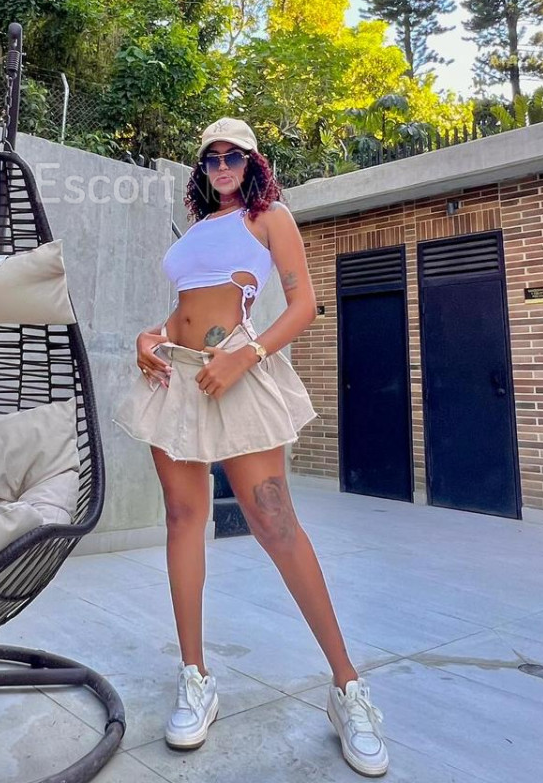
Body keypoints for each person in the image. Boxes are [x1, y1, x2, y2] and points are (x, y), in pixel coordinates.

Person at [112, 117, 389, 777]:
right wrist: (149, 337)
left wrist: (248, 355)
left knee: (276, 524)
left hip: (235, 372)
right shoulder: (196, 229)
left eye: (233, 156)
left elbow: (303, 305)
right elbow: (183, 308)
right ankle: (195, 677)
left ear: (253, 163)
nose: (222, 166)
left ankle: (347, 689)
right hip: (175, 377)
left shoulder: (270, 218)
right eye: (211, 158)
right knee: (183, 520)